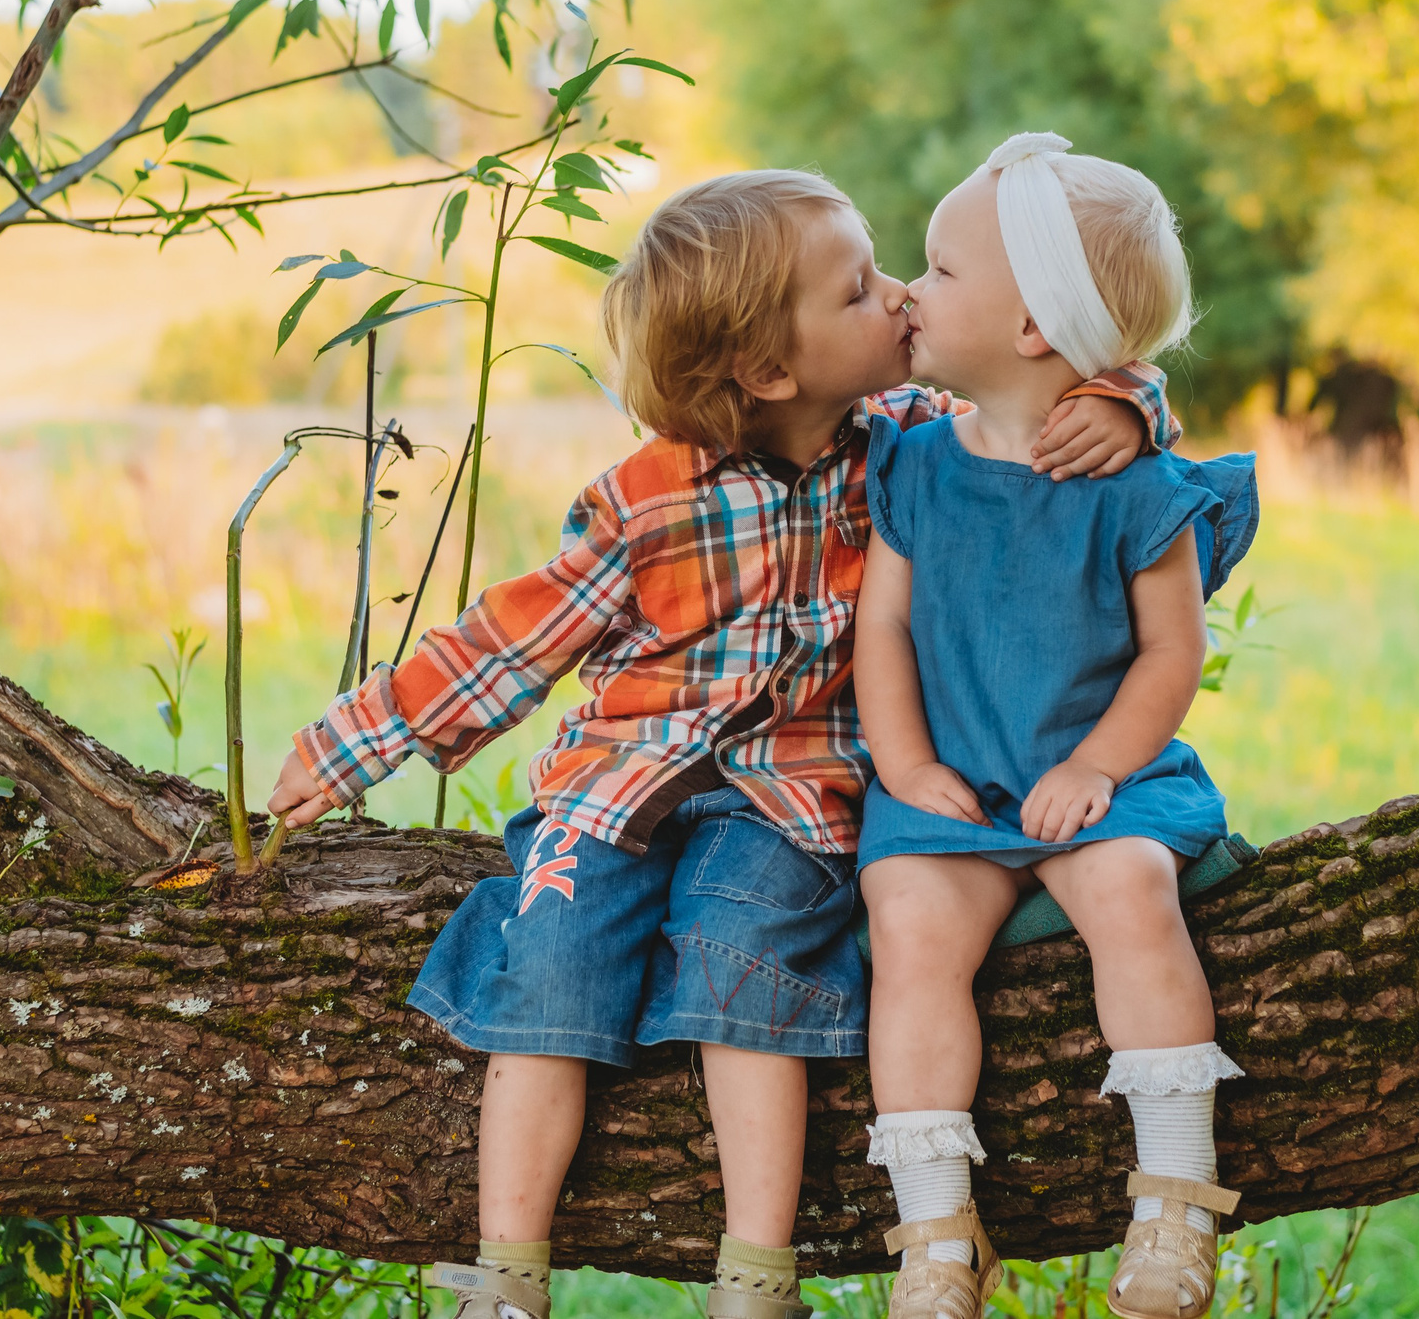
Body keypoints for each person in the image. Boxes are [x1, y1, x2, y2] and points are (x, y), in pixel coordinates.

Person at [263, 168, 1180, 1319]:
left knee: (745, 966)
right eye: (860, 289)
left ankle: (755, 1280)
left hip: (791, 797)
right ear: (768, 370)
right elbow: (514, 637)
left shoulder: (902, 444)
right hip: (616, 783)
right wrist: (352, 741)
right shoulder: (645, 500)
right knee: (546, 964)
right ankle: (506, 1275)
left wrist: (1133, 402)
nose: (900, 296)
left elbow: (1047, 379)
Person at [853, 134, 1258, 1319]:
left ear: (1030, 325)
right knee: (912, 919)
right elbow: (884, 628)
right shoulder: (916, 463)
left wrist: (1098, 765)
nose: (910, 290)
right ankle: (934, 1230)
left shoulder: (1137, 485)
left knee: (1129, 885)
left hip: (1105, 772)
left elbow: (1171, 651)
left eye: (937, 269)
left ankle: (1177, 1198)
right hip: (957, 778)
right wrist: (909, 761)